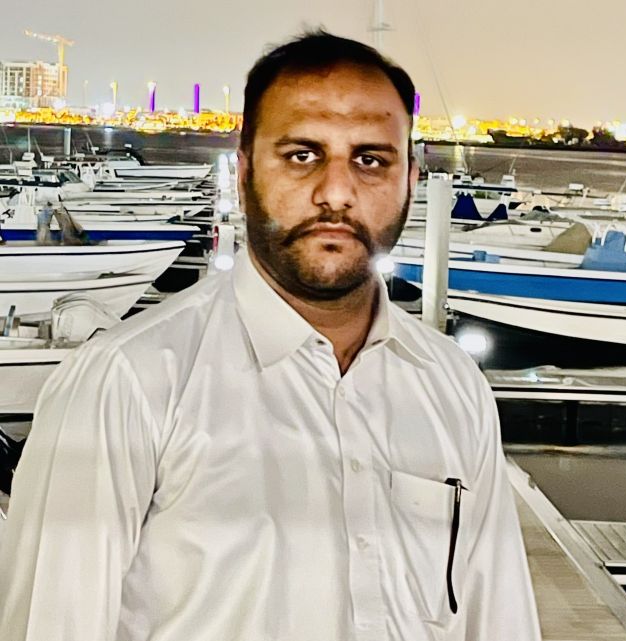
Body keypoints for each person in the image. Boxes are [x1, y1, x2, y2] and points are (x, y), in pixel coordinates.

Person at [0, 30, 541, 641]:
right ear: (245, 172)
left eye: (370, 160)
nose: (336, 192)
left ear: (411, 180)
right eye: (302, 155)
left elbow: (497, 619)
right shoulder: (127, 384)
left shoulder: (453, 386)